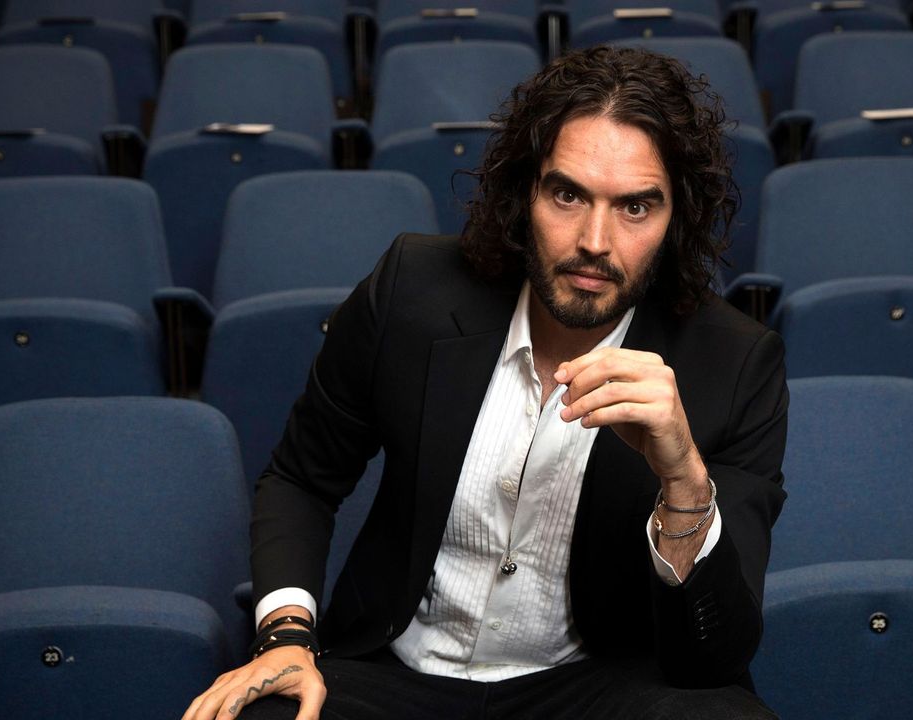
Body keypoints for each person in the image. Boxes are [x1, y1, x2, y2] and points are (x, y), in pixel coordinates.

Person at [183, 45, 788, 720]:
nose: (595, 239)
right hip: (393, 672)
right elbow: (301, 478)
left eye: (636, 208)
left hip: (591, 688)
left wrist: (685, 483)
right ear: (523, 191)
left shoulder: (736, 363)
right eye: (567, 194)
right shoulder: (411, 288)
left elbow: (713, 661)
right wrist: (287, 637)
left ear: (677, 220)